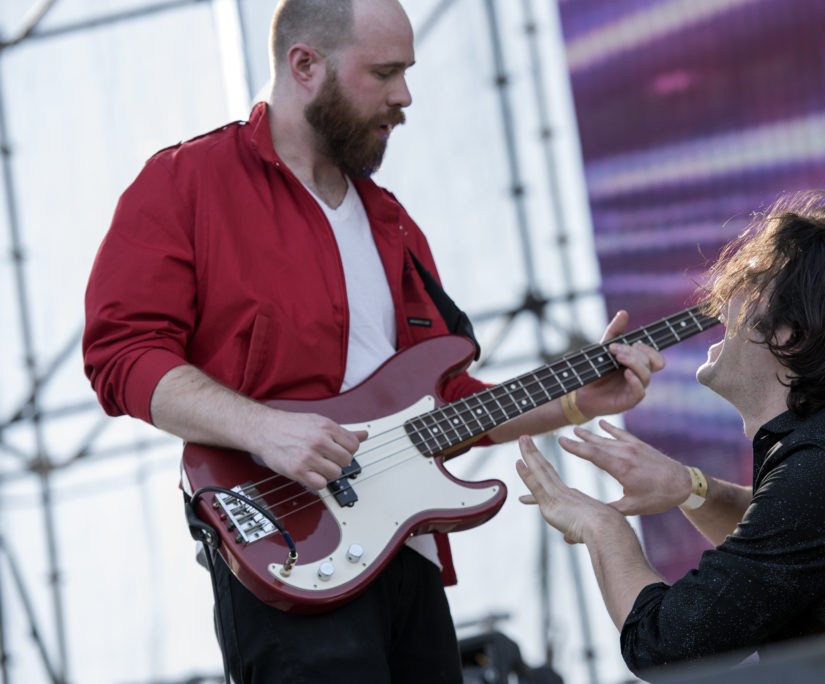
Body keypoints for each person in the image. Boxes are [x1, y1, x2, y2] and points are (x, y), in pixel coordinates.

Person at [81, 0, 664, 681]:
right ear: (305, 65)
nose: (405, 96)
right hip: (283, 543)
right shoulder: (186, 183)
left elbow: (448, 405)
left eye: (407, 72)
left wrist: (575, 400)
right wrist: (264, 429)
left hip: (405, 551)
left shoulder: (393, 223)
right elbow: (120, 355)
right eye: (384, 73)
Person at [515, 190, 825, 674]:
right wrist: (690, 489)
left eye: (748, 285)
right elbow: (785, 558)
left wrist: (602, 527)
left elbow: (666, 646)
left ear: (790, 334)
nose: (721, 302)